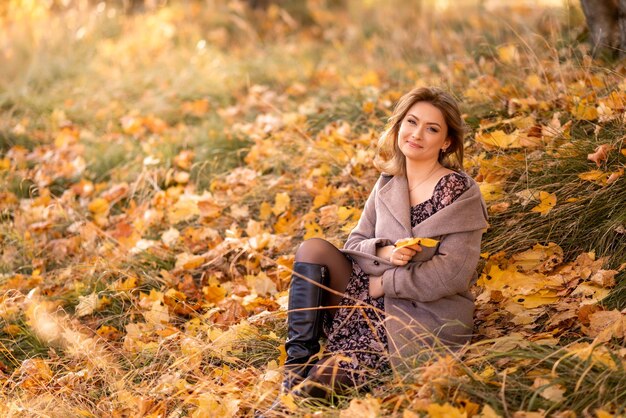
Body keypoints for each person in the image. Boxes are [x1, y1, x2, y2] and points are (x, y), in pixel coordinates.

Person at [280, 86, 489, 400]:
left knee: (315, 387)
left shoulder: (459, 192)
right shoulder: (388, 183)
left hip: (419, 317)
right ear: (400, 125)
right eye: (411, 122)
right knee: (312, 249)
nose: (416, 134)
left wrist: (386, 283)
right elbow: (357, 241)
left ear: (446, 141)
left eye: (431, 128)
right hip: (362, 298)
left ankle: (303, 388)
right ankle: (297, 363)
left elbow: (452, 273)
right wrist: (385, 251)